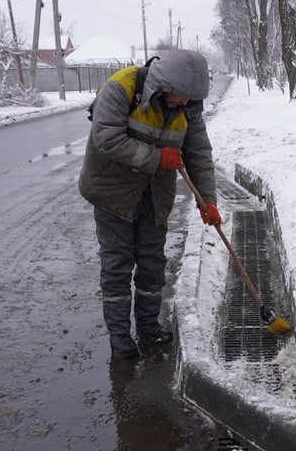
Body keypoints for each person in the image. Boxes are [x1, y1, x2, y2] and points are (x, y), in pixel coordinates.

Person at [78, 49, 221, 359]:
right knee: (117, 265)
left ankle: (147, 325)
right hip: (111, 192)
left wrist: (207, 200)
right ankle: (119, 336)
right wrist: (158, 157)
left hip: (154, 194)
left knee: (152, 262)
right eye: (181, 96)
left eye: (190, 99)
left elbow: (198, 152)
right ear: (165, 82)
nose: (185, 103)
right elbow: (106, 137)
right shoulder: (122, 87)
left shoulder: (188, 105)